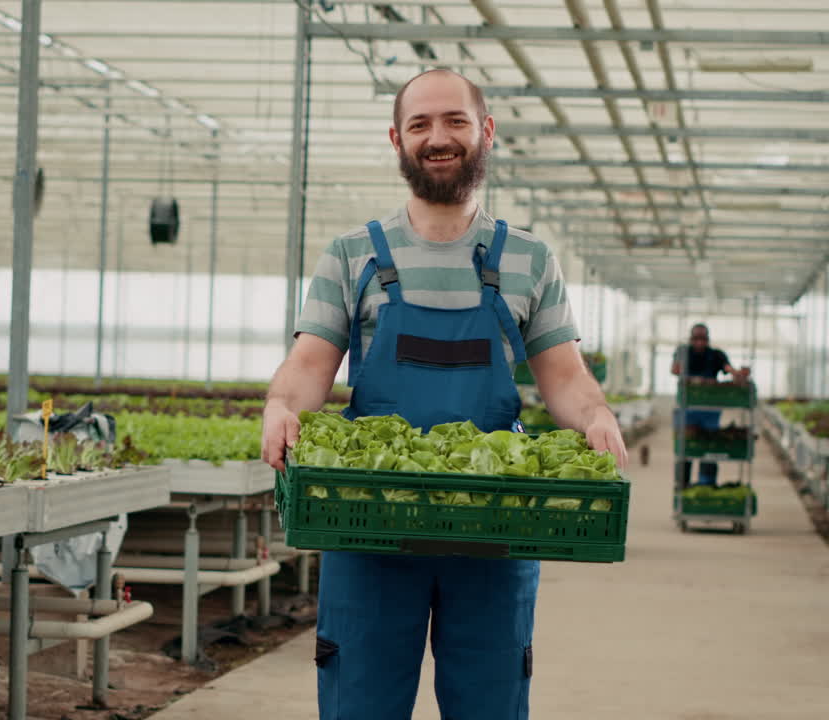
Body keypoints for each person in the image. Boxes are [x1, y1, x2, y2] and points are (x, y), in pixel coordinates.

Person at [261, 68, 628, 720]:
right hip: (369, 523)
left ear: (484, 132)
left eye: (456, 120)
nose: (439, 137)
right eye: (421, 124)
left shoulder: (529, 259)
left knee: (490, 704)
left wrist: (597, 418)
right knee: (360, 704)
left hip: (491, 527)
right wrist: (281, 406)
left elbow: (565, 378)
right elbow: (310, 363)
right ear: (397, 138)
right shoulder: (352, 256)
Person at [671, 323, 750, 488]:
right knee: (686, 448)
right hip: (687, 410)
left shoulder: (716, 355)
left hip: (710, 412)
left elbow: (729, 369)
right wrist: (689, 376)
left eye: (703, 339)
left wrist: (739, 375)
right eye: (696, 339)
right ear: (690, 339)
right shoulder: (682, 351)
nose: (699, 342)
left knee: (708, 448)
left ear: (708, 339)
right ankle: (682, 485)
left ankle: (706, 484)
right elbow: (675, 369)